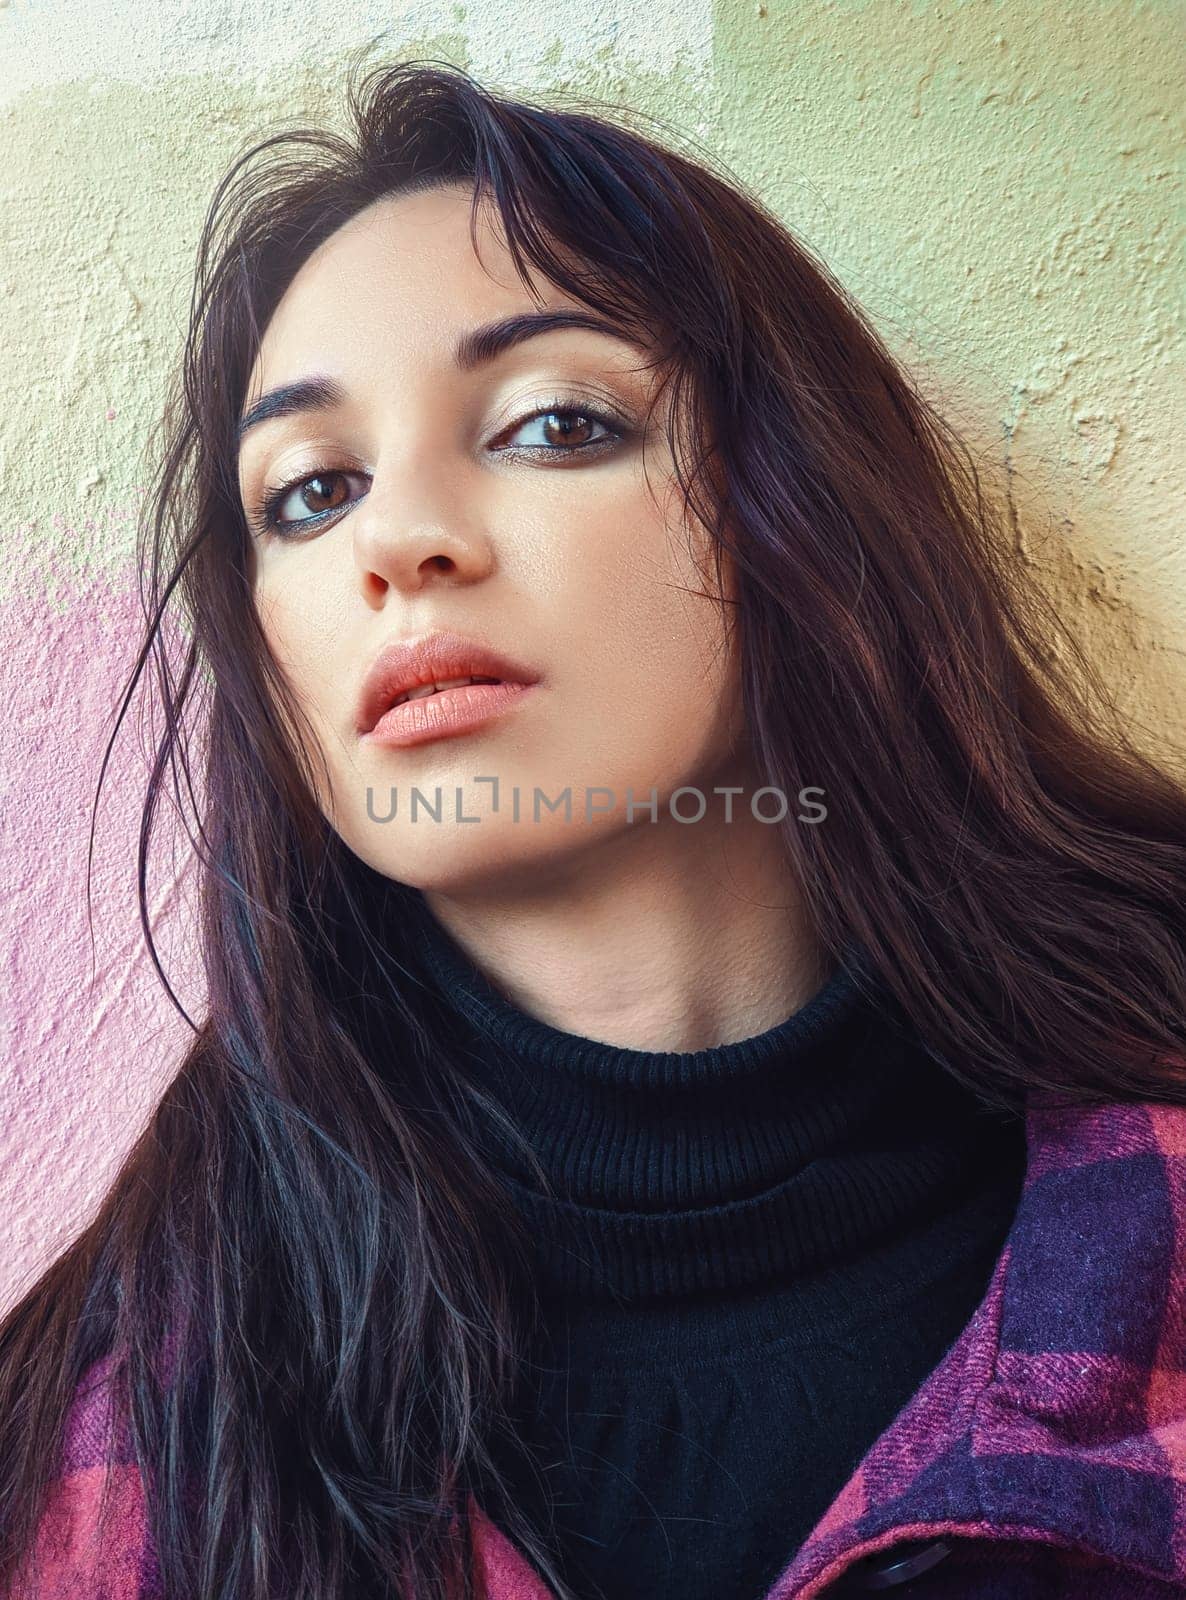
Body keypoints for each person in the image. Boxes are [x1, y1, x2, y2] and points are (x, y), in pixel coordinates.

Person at [1, 56, 1184, 1600]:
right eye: (308, 492)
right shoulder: (78, 1457)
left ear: (796, 515)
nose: (399, 541)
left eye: (554, 424)